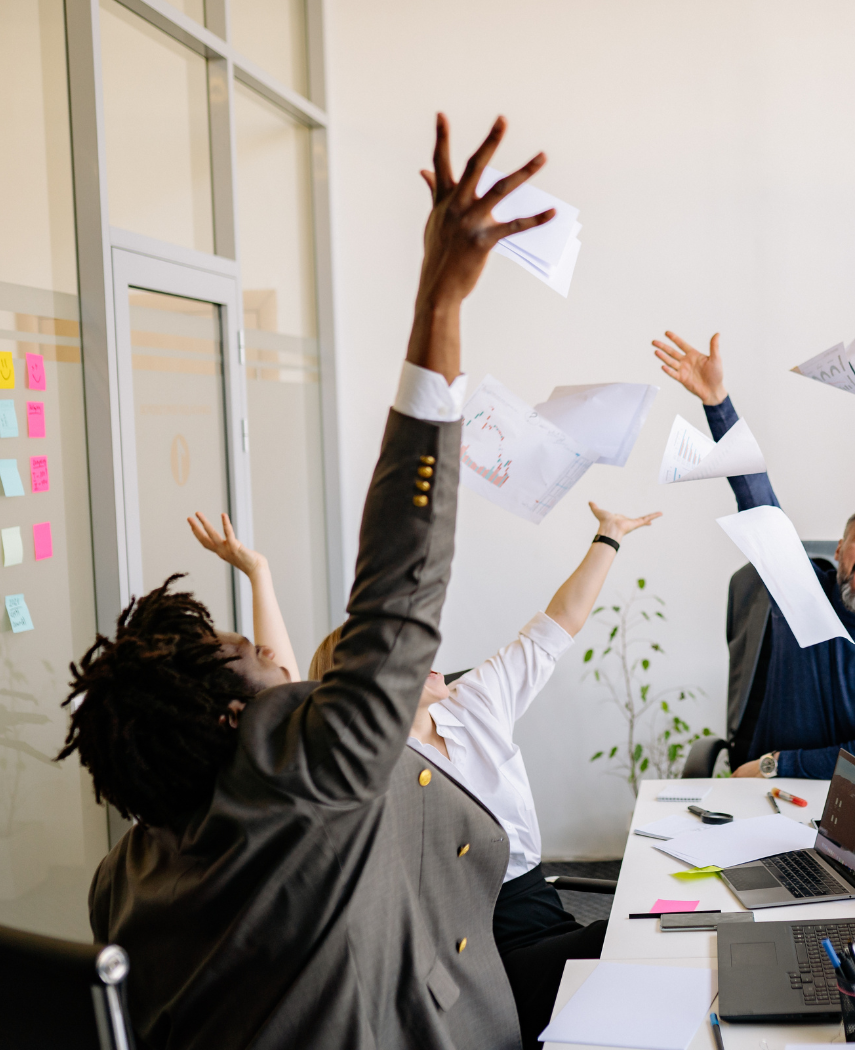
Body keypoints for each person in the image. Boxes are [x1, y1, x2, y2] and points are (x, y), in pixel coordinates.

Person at [61, 114, 557, 1050]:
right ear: (231, 722)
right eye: (243, 654)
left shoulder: (123, 880)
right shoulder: (315, 774)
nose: (263, 653)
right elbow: (399, 581)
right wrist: (440, 297)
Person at [307, 501, 660, 1049]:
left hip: (541, 908)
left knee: (630, 962)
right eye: (405, 652)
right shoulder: (372, 769)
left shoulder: (471, 701)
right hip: (470, 952)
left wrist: (609, 536)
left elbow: (555, 626)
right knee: (634, 943)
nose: (430, 655)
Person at [650, 331, 855, 780]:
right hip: (756, 792)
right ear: (841, 550)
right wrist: (716, 401)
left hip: (844, 794)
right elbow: (758, 502)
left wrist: (773, 766)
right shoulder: (801, 590)